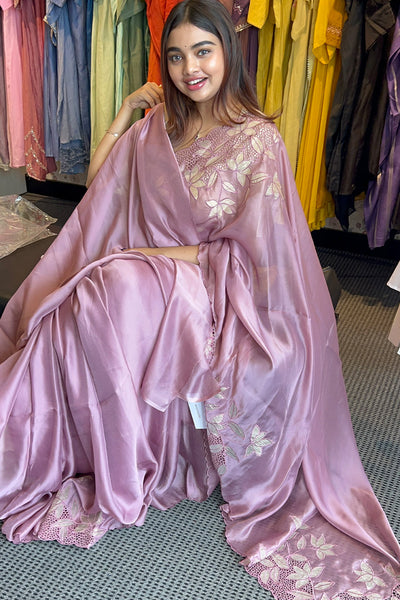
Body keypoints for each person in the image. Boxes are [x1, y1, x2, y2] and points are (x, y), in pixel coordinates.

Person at [0, 1, 399, 598]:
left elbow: (258, 257)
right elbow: (101, 190)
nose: (190, 69)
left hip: (217, 290)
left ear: (227, 52)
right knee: (84, 300)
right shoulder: (159, 128)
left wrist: (152, 257)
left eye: (203, 51)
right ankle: (45, 439)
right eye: (177, 56)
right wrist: (125, 114)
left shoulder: (257, 140)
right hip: (145, 276)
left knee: (114, 286)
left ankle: (101, 447)